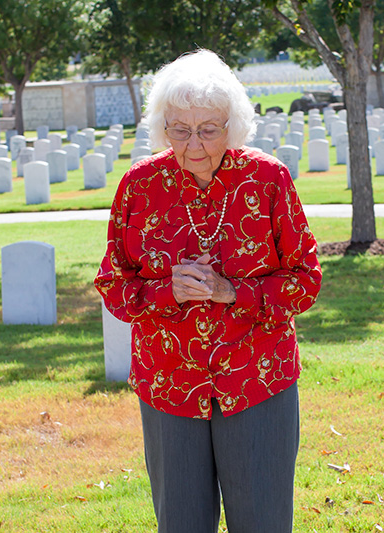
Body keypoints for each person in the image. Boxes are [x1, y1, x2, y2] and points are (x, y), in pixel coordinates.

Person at [94, 49, 322, 533]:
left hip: (257, 380)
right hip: (169, 384)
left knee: (262, 522)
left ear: (232, 125)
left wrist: (233, 293)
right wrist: (165, 292)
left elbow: (305, 280)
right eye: (179, 129)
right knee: (181, 524)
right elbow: (114, 285)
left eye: (208, 129)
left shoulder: (268, 180)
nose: (193, 143)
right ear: (162, 127)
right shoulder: (139, 187)